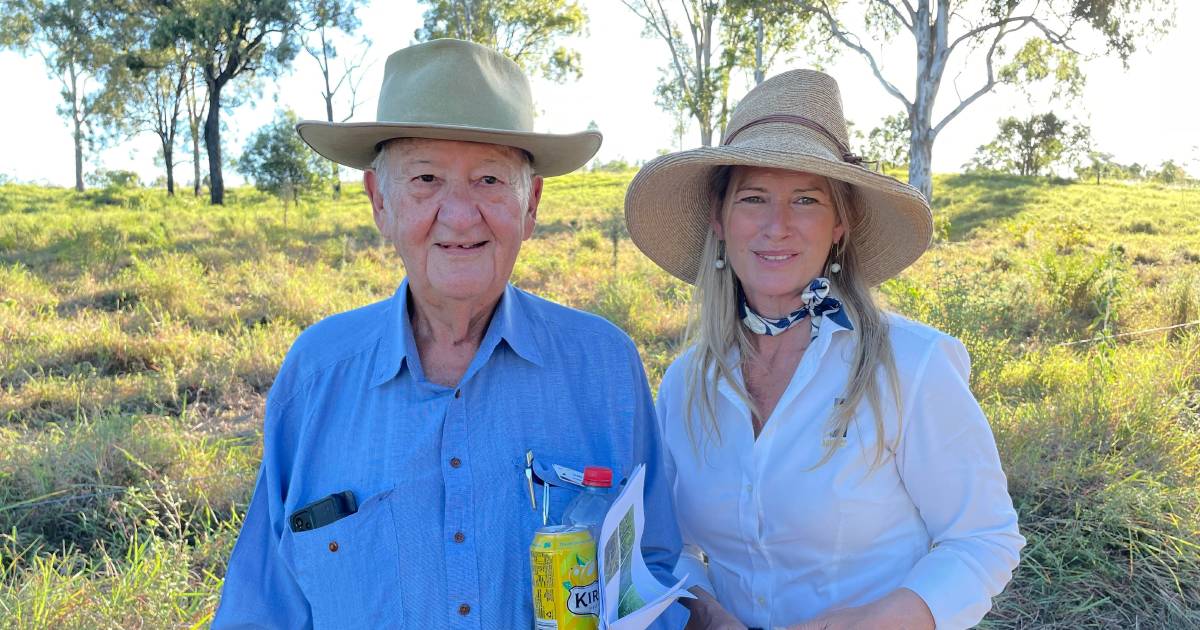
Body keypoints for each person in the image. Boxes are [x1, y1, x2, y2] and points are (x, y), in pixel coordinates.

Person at [212, 39, 681, 628]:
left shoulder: (604, 367)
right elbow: (262, 606)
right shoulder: (317, 373)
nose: (459, 217)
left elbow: (655, 569)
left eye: (489, 180)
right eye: (426, 179)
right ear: (380, 201)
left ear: (530, 204)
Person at [624, 69, 1024, 630]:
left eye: (806, 200)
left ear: (840, 224)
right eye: (754, 198)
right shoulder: (687, 383)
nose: (777, 226)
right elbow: (673, 546)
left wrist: (866, 623)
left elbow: (982, 539)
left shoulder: (912, 365)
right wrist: (709, 616)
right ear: (720, 220)